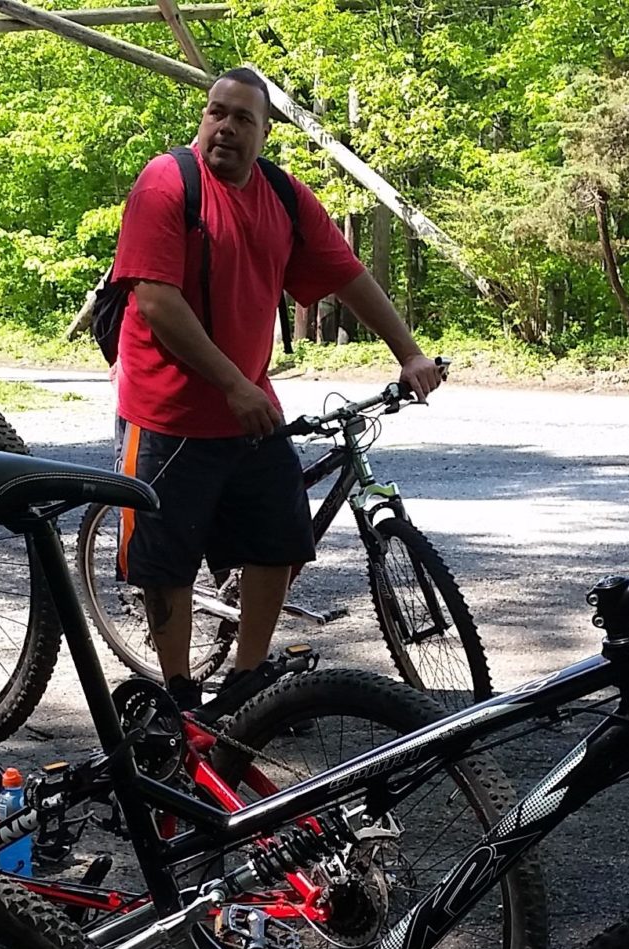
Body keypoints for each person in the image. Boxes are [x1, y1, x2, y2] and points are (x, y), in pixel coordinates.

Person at [107, 66, 442, 711]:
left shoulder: (283, 197)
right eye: (216, 112)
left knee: (280, 542)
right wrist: (235, 385)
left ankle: (246, 681)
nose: (225, 128)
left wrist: (409, 352)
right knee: (167, 564)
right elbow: (154, 301)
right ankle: (177, 696)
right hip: (167, 411)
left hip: (248, 409)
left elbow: (348, 275)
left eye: (242, 118)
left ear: (265, 133)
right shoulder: (166, 183)